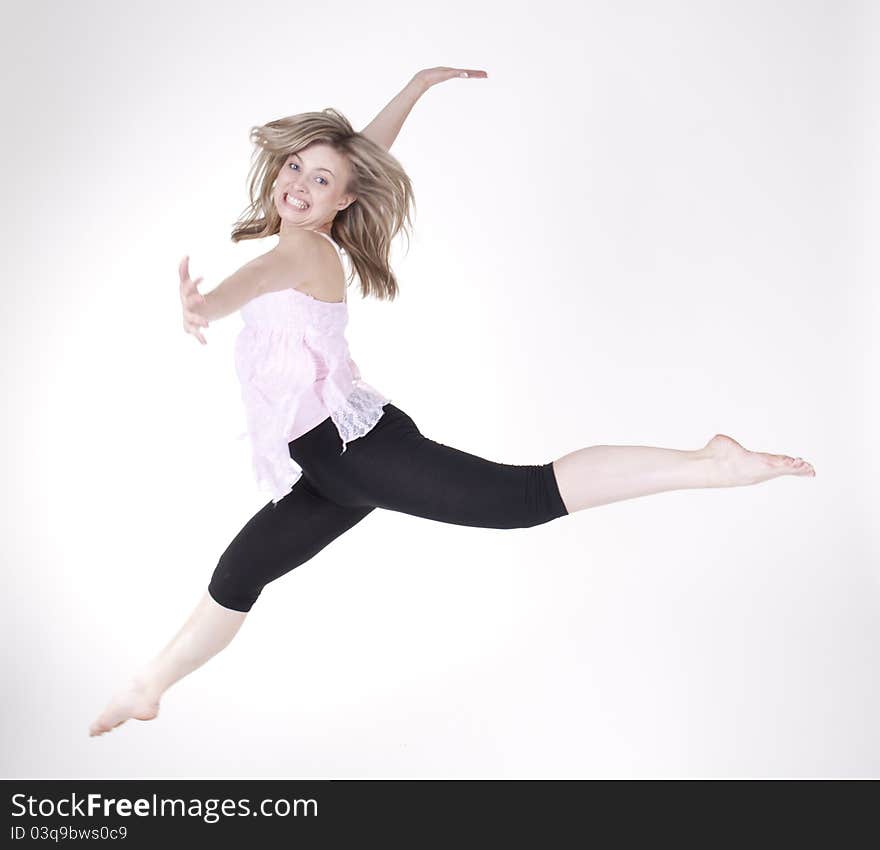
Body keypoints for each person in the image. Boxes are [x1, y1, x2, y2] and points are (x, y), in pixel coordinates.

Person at [88, 67, 815, 737]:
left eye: (320, 178)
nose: (300, 184)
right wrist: (415, 87)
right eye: (294, 167)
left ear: (345, 200)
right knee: (240, 573)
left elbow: (256, 277)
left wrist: (206, 305)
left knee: (520, 498)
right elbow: (355, 157)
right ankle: (148, 687)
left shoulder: (300, 250)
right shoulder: (314, 220)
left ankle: (710, 465)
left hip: (355, 451)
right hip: (332, 463)